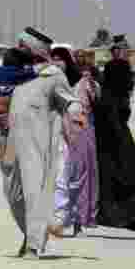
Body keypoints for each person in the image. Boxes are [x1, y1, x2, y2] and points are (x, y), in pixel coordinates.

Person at [0, 28, 86, 259]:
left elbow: (71, 101)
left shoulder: (53, 75)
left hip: (36, 142)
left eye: (22, 46)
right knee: (13, 193)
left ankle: (34, 244)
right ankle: (30, 234)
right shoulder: (14, 72)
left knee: (34, 193)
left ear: (34, 49)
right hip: (8, 141)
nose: (18, 49)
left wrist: (76, 114)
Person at [93, 38, 135, 233]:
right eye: (120, 51)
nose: (122, 54)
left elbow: (118, 90)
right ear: (116, 52)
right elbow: (124, 91)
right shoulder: (119, 66)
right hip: (115, 117)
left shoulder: (114, 67)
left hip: (109, 116)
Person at [53, 51, 100, 236]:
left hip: (79, 133)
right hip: (57, 133)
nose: (56, 63)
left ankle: (79, 221)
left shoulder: (83, 84)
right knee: (60, 178)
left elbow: (92, 104)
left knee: (78, 176)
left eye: (60, 59)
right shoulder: (53, 83)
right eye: (53, 59)